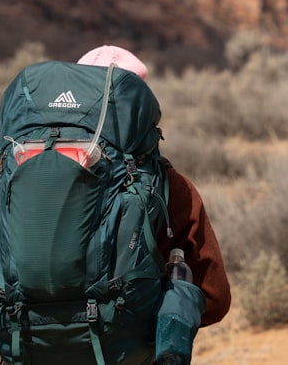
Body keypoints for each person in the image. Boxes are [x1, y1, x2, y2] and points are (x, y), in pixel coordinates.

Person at [77, 45, 232, 330]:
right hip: (128, 350)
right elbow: (215, 297)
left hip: (28, 346)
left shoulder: (24, 167)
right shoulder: (171, 186)